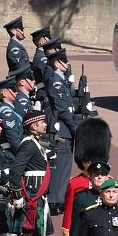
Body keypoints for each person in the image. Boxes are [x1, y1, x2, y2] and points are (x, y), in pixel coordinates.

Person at [8, 110, 50, 236]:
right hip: (30, 195)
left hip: (34, 193)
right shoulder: (29, 144)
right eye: (42, 122)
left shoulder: (35, 142)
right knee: (24, 233)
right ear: (33, 126)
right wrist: (17, 195)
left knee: (28, 233)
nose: (45, 125)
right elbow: (16, 170)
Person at [62, 117, 112, 236]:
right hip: (83, 235)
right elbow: (69, 212)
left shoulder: (110, 182)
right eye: (88, 162)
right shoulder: (75, 183)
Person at [46, 49, 78, 216]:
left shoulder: (61, 81)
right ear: (57, 64)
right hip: (62, 129)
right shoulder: (56, 82)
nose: (67, 64)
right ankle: (54, 201)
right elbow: (62, 108)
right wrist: (74, 127)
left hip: (66, 128)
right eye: (64, 61)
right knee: (59, 167)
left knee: (65, 167)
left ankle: (59, 199)